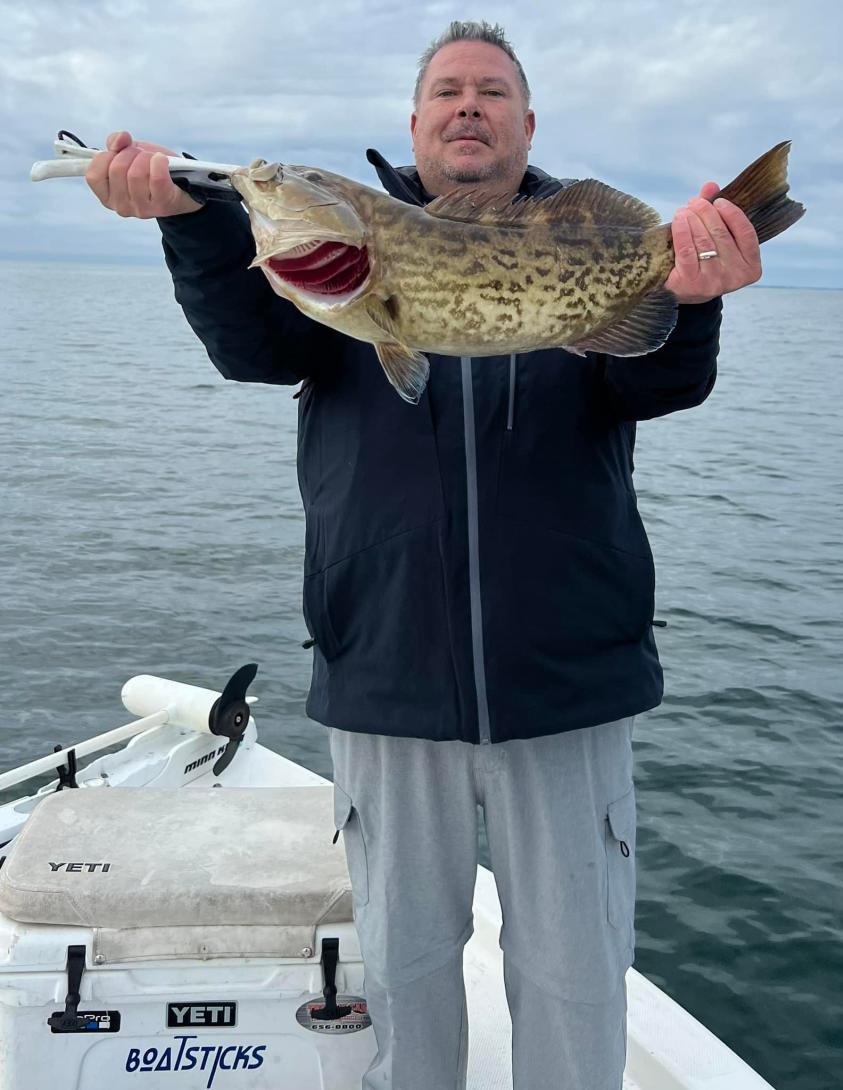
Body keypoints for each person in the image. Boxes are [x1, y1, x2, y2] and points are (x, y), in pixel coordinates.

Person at [86, 20, 761, 1090]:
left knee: (576, 973)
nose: (469, 105)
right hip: (386, 674)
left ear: (526, 123)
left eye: (492, 91)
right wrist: (193, 230)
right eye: (447, 90)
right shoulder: (347, 252)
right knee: (401, 966)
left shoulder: (581, 234)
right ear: (414, 122)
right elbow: (254, 351)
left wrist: (691, 302)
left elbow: (655, 383)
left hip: (569, 679)